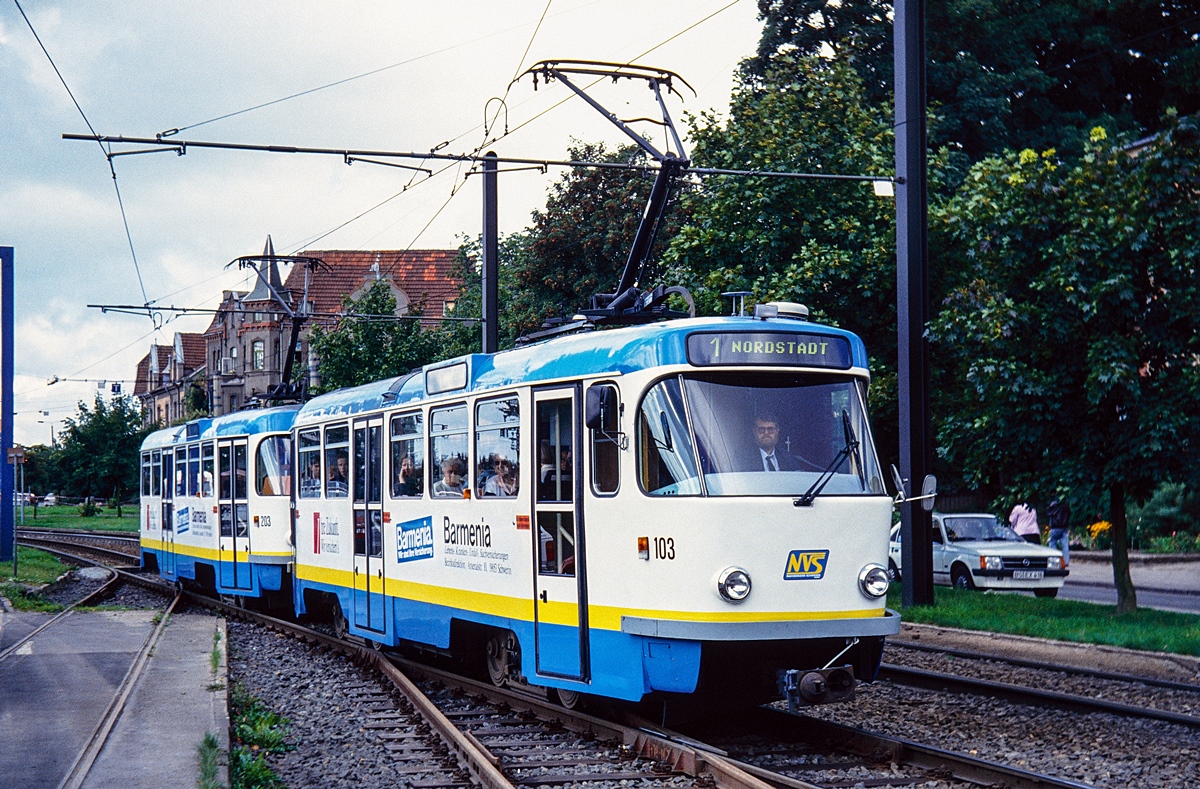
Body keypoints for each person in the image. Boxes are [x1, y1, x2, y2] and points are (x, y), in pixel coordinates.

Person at [1047, 497, 1071, 564]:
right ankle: (1066, 561)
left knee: (1052, 542)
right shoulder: (1066, 505)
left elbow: (1048, 512)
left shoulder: (1054, 504)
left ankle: (1055, 560)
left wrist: (1050, 507)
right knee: (1065, 545)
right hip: (1065, 527)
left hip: (1055, 527)